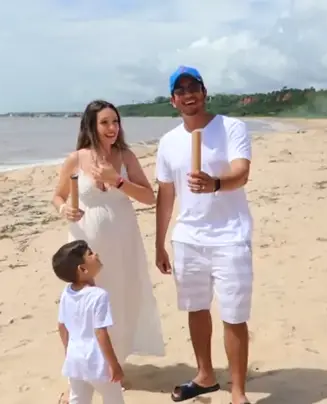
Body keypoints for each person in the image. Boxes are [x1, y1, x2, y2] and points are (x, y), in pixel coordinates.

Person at [155, 66, 254, 404]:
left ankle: (238, 391)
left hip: (230, 236)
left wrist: (216, 184)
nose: (188, 94)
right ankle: (205, 375)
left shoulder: (231, 127)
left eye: (193, 87)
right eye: (180, 90)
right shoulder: (168, 142)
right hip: (188, 238)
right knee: (196, 309)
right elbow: (166, 194)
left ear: (204, 91)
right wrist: (159, 243)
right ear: (173, 100)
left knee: (234, 315)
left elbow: (242, 173)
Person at [51, 99, 166, 376]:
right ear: (91, 125)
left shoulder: (126, 156)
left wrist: (118, 181)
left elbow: (149, 197)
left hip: (123, 241)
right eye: (105, 122)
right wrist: (64, 209)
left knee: (120, 297)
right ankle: (83, 367)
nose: (112, 127)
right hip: (87, 244)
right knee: (86, 302)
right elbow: (58, 196)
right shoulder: (76, 159)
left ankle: (115, 363)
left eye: (115, 121)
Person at [53, 239, 125, 404]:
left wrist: (69, 353)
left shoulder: (66, 293)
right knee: (113, 399)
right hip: (96, 361)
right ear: (83, 269)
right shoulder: (99, 295)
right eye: (90, 254)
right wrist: (114, 364)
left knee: (78, 399)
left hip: (75, 359)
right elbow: (100, 333)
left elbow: (62, 326)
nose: (96, 254)